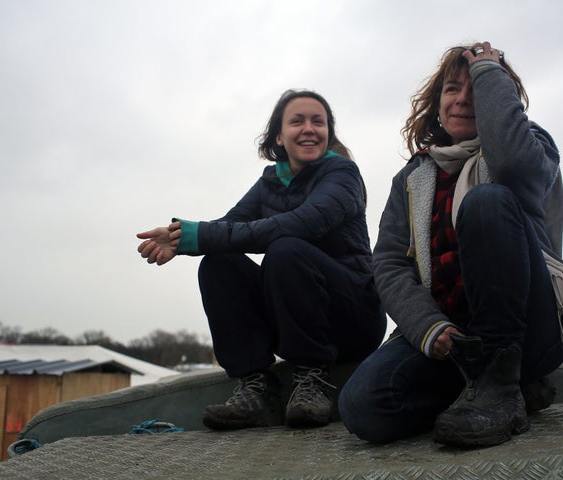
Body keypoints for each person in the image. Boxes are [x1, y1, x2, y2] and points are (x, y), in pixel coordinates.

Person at [338, 42, 563, 447]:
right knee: (362, 408)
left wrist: (489, 70)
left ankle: (504, 382)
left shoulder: (532, 147)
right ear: (436, 102)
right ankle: (494, 396)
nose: (462, 100)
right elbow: (389, 263)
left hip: (528, 330)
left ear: (498, 95)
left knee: (486, 203)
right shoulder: (411, 177)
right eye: (451, 89)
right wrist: (429, 325)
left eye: (475, 89)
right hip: (455, 340)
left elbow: (511, 163)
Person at [136, 89, 386, 430]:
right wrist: (181, 237)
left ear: (329, 133)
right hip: (296, 314)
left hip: (353, 317)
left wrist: (199, 235)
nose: (309, 128)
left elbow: (303, 224)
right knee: (218, 262)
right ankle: (256, 388)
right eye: (297, 121)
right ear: (279, 136)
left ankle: (312, 381)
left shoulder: (342, 175)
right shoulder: (270, 182)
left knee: (286, 247)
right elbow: (230, 227)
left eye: (319, 121)